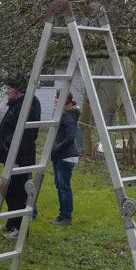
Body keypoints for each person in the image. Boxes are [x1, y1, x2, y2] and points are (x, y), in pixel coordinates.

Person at [0, 78, 41, 237]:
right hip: (11, 156)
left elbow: (27, 136)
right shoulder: (17, 104)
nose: (7, 91)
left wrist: (16, 157)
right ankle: (11, 223)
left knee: (19, 194)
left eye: (9, 88)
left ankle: (20, 229)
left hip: (19, 159)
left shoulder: (27, 106)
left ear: (19, 90)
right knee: (10, 192)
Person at [51, 95, 82, 226]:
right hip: (59, 156)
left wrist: (56, 148)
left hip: (66, 156)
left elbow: (70, 137)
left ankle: (66, 216)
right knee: (60, 186)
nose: (54, 99)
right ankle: (62, 215)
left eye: (56, 97)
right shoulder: (62, 113)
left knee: (64, 187)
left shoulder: (67, 115)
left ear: (63, 99)